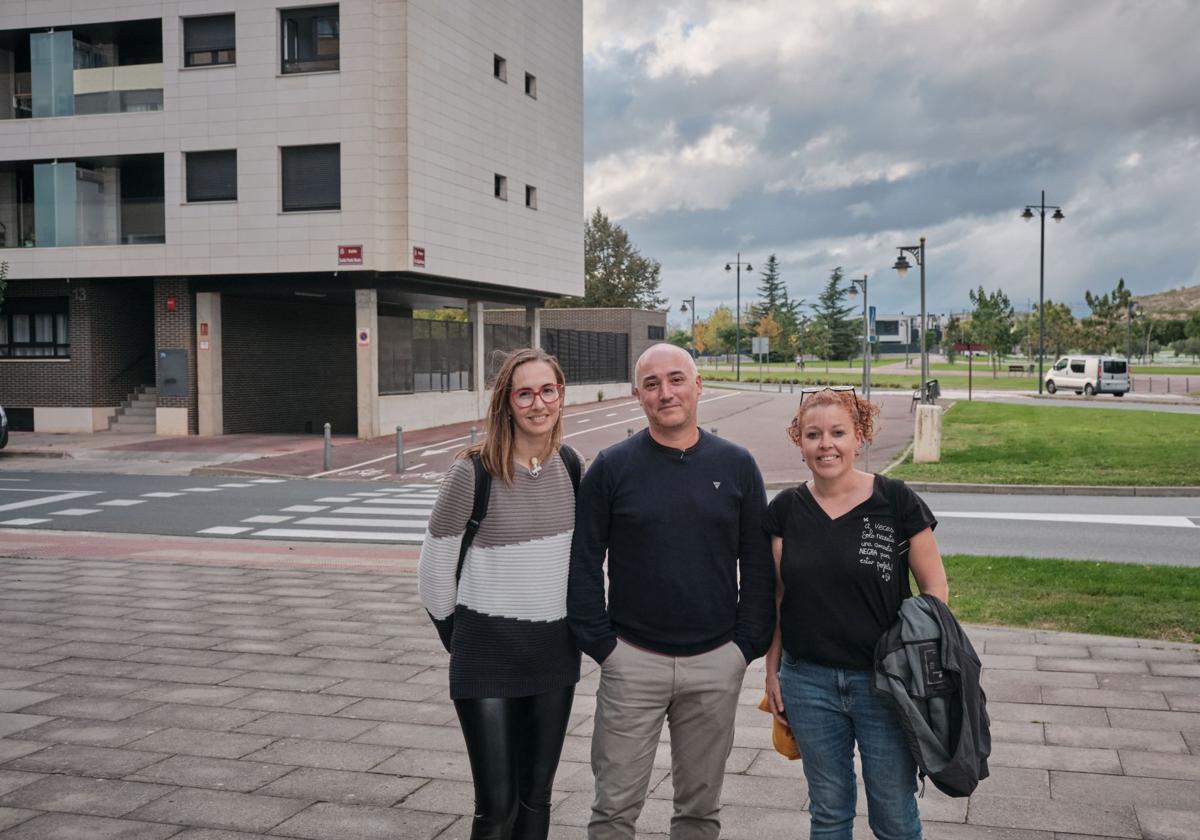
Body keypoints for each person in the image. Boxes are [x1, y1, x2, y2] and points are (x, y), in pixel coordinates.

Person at [568, 343, 776, 840]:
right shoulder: (612, 468)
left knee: (700, 813)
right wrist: (602, 647)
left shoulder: (737, 465)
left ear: (698, 385)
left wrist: (744, 647)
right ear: (637, 395)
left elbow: (759, 562)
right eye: (653, 384)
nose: (666, 393)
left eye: (677, 379)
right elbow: (583, 561)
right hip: (632, 661)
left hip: (715, 663)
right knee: (613, 810)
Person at [763, 386, 949, 840]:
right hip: (808, 683)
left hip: (884, 685)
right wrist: (773, 672)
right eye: (813, 435)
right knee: (828, 812)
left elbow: (935, 588)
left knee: (894, 814)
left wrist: (924, 666)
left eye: (837, 433)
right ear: (800, 442)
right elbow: (778, 598)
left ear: (858, 437)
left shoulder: (896, 501)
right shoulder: (785, 509)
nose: (825, 444)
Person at [418, 348, 582, 840]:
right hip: (486, 657)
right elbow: (432, 574)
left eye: (547, 390)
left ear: (560, 395)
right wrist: (465, 639)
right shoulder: (472, 473)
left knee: (537, 802)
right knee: (497, 809)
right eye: (525, 393)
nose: (538, 403)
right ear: (506, 402)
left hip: (553, 657)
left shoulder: (571, 466)